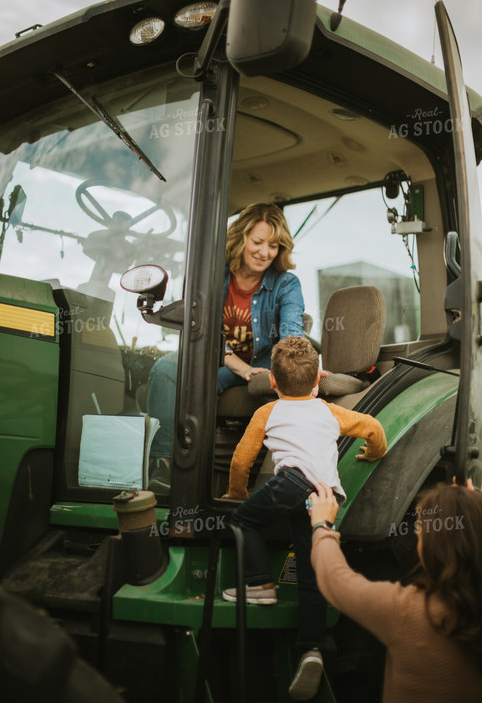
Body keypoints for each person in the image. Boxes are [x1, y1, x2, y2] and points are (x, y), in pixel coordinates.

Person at [222, 335, 387, 701]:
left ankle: (261, 584)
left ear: (275, 383)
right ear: (318, 381)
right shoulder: (330, 411)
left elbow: (240, 461)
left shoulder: (267, 412)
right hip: (324, 498)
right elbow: (373, 428)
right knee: (311, 576)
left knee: (243, 521)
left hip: (292, 483)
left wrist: (238, 494)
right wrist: (374, 453)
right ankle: (311, 649)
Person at [146, 202, 305, 493]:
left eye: (273, 245)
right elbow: (202, 330)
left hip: (263, 363)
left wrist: (293, 368)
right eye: (257, 242)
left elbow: (290, 335)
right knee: (165, 369)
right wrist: (239, 367)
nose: (264, 252)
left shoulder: (286, 284)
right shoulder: (213, 277)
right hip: (220, 360)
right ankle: (163, 469)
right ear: (240, 238)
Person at [308, 480, 482, 703]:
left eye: (420, 535)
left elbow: (335, 578)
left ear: (433, 548)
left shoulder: (407, 611)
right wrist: (471, 513)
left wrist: (322, 526)